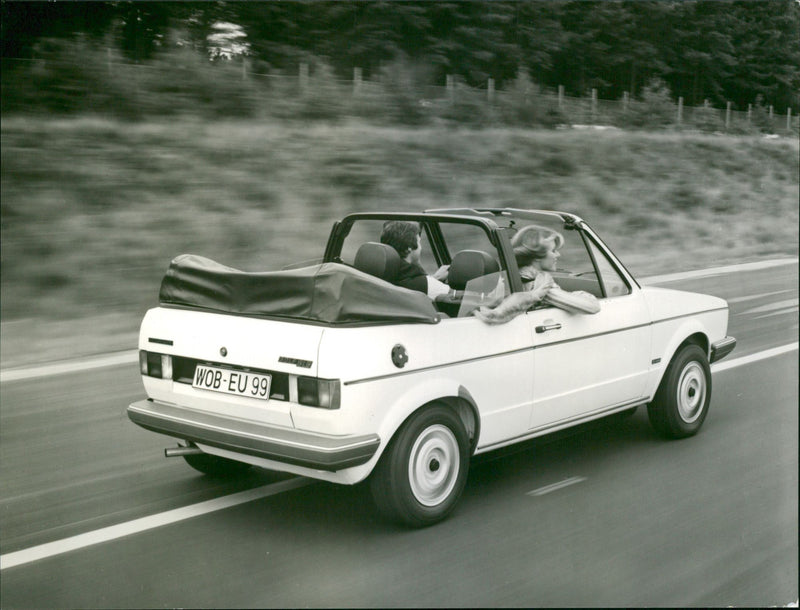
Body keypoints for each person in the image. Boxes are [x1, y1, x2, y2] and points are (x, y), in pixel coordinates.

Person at [473, 225, 600, 324]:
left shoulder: (509, 277)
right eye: (553, 251)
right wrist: (579, 294)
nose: (558, 255)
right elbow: (592, 307)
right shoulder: (539, 285)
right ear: (537, 256)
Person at [380, 220, 450, 298]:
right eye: (419, 242)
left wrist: (434, 278)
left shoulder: (376, 275)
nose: (420, 248)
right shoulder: (426, 286)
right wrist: (430, 282)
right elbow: (461, 299)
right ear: (409, 249)